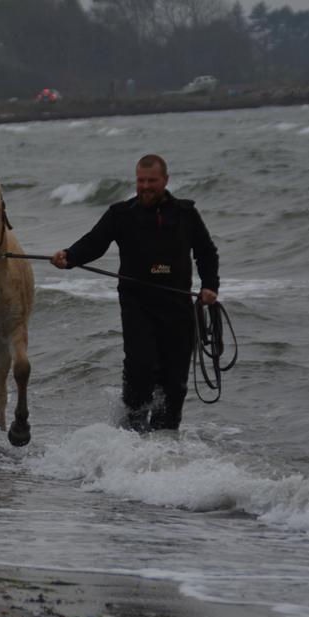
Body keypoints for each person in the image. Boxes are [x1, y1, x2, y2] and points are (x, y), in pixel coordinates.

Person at [49, 154, 219, 432]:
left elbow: (206, 252)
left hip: (177, 307)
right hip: (137, 306)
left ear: (165, 180)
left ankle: (164, 447)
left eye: (152, 181)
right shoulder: (121, 214)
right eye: (141, 180)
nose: (146, 186)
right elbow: (95, 242)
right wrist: (69, 257)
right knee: (140, 372)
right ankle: (130, 440)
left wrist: (210, 286)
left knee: (174, 385)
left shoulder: (185, 214)